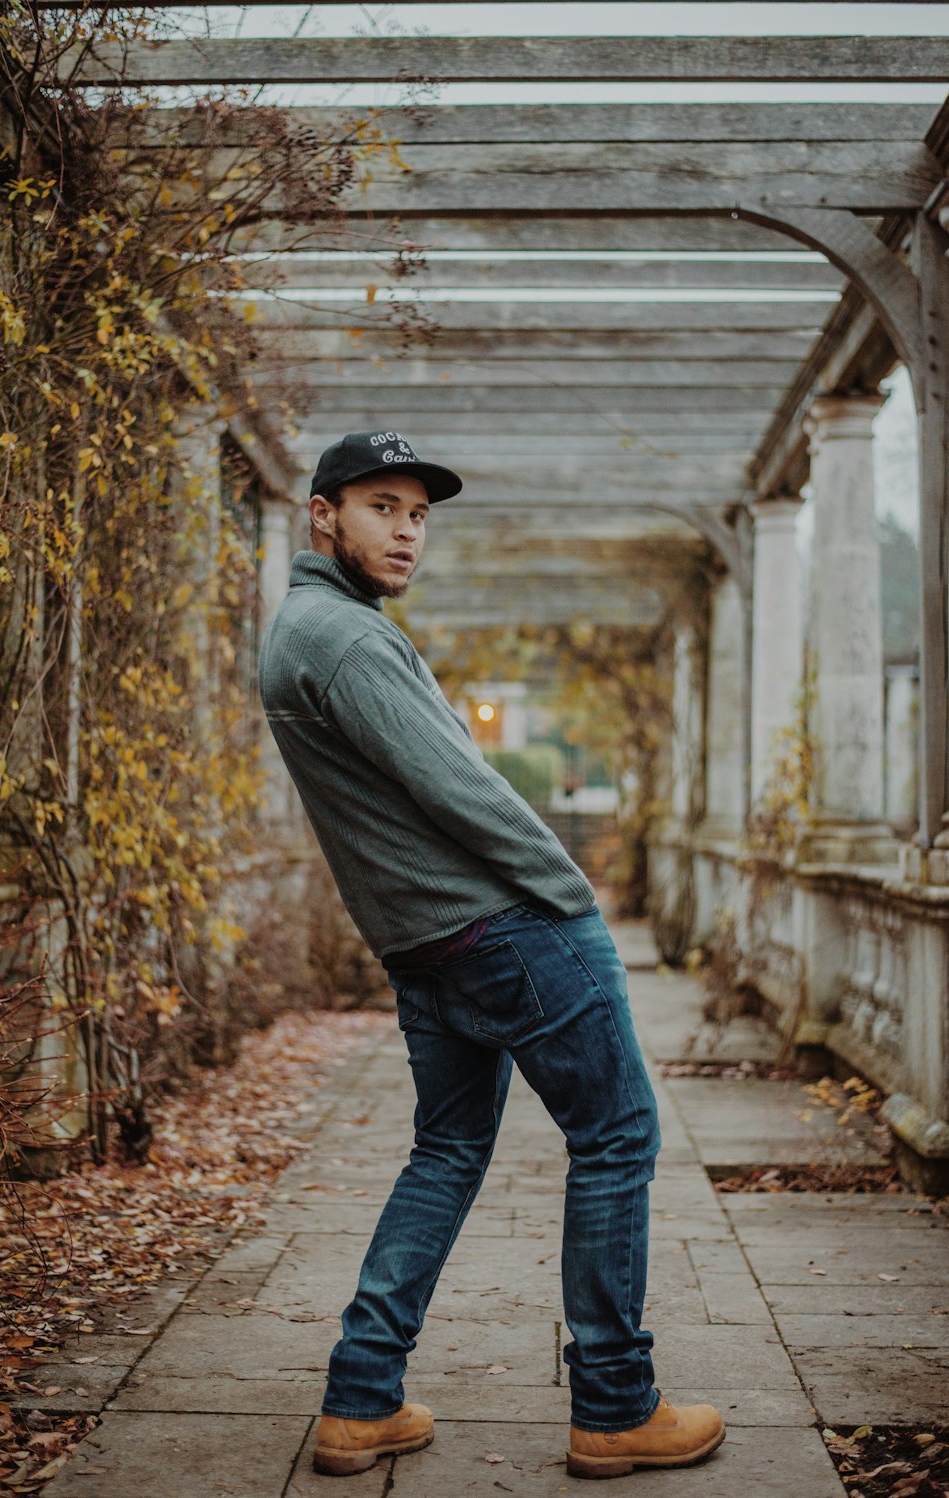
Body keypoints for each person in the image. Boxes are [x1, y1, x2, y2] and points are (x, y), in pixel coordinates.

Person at [258, 431, 725, 1481]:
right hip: (502, 928)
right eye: (383, 506)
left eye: (419, 514)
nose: (407, 531)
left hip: (424, 941)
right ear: (322, 511)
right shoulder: (341, 638)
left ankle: (360, 1397)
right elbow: (458, 788)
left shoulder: (309, 628)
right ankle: (613, 1404)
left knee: (448, 1150)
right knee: (614, 1138)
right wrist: (569, 894)